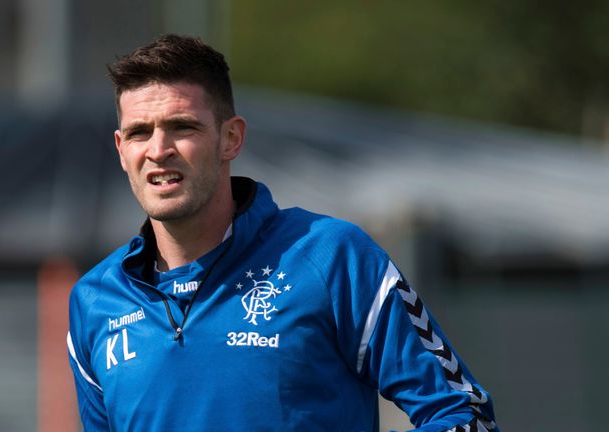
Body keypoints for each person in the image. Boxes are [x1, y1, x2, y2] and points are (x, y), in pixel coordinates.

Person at [67, 34, 499, 432]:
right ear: (123, 151)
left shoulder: (332, 257)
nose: (159, 150)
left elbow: (465, 415)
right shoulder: (94, 300)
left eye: (183, 127)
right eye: (141, 133)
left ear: (230, 138)